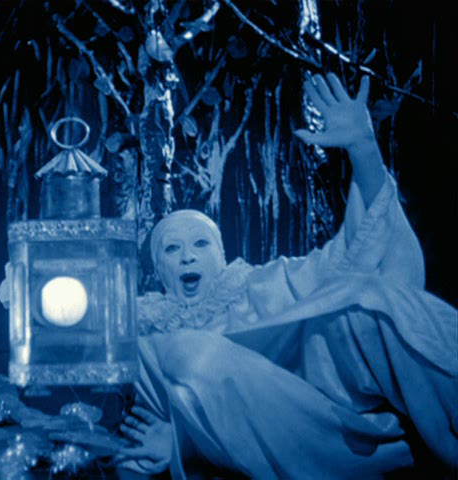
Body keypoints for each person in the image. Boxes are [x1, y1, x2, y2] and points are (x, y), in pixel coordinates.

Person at [114, 73, 458, 478]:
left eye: (200, 244)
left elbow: (355, 258)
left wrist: (363, 150)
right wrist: (180, 439)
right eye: (172, 249)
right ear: (159, 271)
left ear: (221, 257)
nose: (188, 257)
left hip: (311, 412)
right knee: (189, 351)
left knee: (368, 302)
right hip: (234, 440)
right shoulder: (144, 328)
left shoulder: (259, 284)